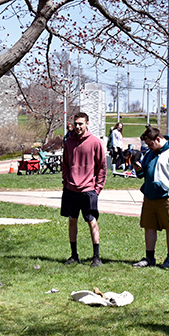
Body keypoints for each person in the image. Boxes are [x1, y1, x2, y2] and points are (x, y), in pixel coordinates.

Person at [132, 126, 169, 269]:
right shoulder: (151, 153)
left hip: (168, 197)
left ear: (158, 139)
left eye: (151, 144)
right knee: (149, 227)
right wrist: (139, 170)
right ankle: (149, 257)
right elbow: (144, 171)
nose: (149, 148)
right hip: (150, 197)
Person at [61, 113, 107, 267]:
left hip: (88, 190)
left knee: (92, 222)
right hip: (71, 189)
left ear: (87, 123)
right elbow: (65, 164)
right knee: (72, 221)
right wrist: (66, 181)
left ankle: (96, 257)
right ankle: (74, 255)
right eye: (76, 124)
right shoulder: (69, 142)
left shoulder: (95, 142)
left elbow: (102, 167)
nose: (78, 127)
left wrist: (97, 188)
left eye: (81, 123)